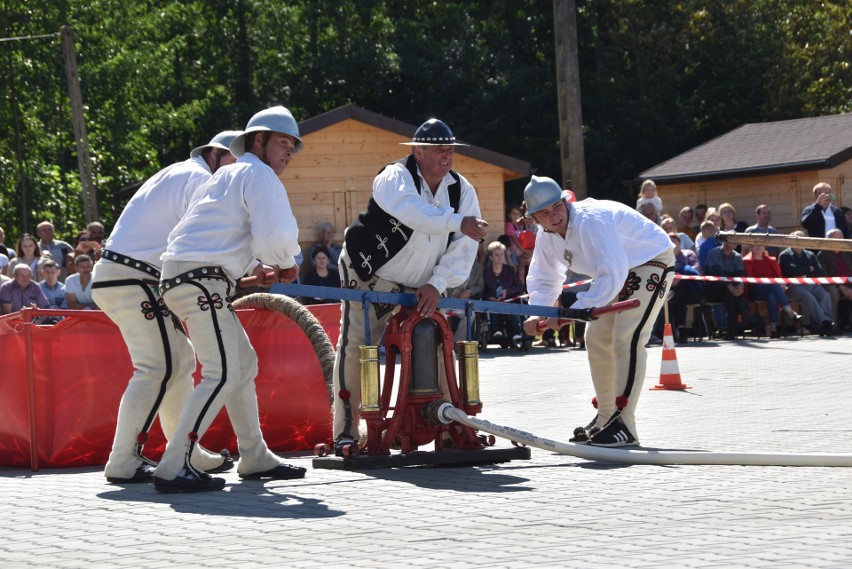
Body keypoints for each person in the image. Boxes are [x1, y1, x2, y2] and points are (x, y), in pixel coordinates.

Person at [155, 106, 305, 492]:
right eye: (283, 143)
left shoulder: (226, 175)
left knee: (243, 363)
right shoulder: (260, 174)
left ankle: (254, 455)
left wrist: (260, 264)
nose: (288, 152)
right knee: (221, 370)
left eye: (292, 145)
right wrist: (285, 262)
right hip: (202, 281)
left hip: (189, 277)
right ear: (259, 141)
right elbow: (274, 236)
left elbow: (223, 233)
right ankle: (175, 463)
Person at [90, 130, 242, 484]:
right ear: (216, 154)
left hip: (127, 276)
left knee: (181, 359)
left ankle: (185, 449)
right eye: (237, 157)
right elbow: (196, 237)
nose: (242, 167)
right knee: (159, 365)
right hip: (134, 277)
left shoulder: (180, 172)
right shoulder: (200, 178)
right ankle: (123, 459)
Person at [332, 118, 488, 449]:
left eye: (450, 150)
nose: (446, 156)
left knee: (438, 344)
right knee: (358, 344)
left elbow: (464, 247)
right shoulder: (395, 177)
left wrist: (438, 282)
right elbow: (412, 213)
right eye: (437, 149)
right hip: (370, 273)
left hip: (423, 285)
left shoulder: (462, 190)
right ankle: (346, 432)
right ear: (417, 151)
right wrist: (457, 221)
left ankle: (448, 427)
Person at [521, 176, 675, 448]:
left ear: (564, 201)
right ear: (534, 218)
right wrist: (539, 313)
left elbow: (611, 274)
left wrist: (571, 312)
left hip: (651, 259)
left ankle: (624, 424)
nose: (553, 216)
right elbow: (544, 278)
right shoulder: (546, 237)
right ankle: (605, 417)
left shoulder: (590, 220)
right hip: (616, 271)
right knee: (595, 338)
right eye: (544, 213)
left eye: (556, 206)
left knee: (627, 337)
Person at [777, 231, 834, 335]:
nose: (799, 240)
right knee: (807, 296)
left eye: (802, 238)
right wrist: (809, 268)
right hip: (792, 286)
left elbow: (819, 271)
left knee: (825, 295)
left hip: (810, 283)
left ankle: (826, 325)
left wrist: (805, 274)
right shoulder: (785, 255)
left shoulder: (810, 254)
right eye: (796, 238)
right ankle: (825, 322)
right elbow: (790, 270)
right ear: (791, 241)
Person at [742, 245, 801, 338]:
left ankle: (772, 327)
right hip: (754, 289)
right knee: (773, 285)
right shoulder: (746, 261)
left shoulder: (771, 260)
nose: (758, 249)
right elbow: (749, 281)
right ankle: (789, 310)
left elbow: (777, 277)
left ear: (764, 248)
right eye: (755, 247)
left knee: (771, 295)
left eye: (760, 247)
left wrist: (781, 285)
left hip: (771, 289)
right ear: (751, 248)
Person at [703, 232, 750, 340]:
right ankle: (745, 315)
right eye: (732, 239)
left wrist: (740, 286)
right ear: (724, 241)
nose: (735, 242)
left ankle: (731, 329)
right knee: (730, 294)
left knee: (731, 295)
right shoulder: (713, 253)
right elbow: (717, 273)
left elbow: (740, 274)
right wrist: (731, 286)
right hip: (714, 289)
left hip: (730, 290)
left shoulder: (737, 256)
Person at [482, 240, 527, 349]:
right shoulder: (486, 273)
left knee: (509, 307)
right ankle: (496, 331)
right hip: (493, 302)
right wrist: (489, 297)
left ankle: (516, 333)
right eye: (496, 255)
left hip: (508, 300)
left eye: (501, 254)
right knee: (492, 306)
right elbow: (483, 290)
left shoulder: (510, 271)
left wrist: (507, 291)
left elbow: (520, 287)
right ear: (491, 258)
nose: (500, 257)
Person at [817, 229, 852, 331]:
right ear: (830, 240)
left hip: (850, 283)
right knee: (833, 292)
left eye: (842, 237)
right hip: (833, 284)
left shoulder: (849, 252)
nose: (842, 240)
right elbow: (825, 276)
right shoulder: (822, 254)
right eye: (838, 238)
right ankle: (833, 325)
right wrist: (842, 288)